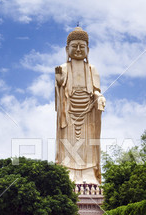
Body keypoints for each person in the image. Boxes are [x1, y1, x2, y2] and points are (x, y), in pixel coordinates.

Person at [55, 26, 106, 185]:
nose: (78, 49)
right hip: (69, 112)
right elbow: (60, 91)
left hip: (88, 113)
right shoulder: (63, 68)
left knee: (88, 144)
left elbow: (96, 90)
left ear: (88, 50)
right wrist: (59, 81)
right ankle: (68, 173)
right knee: (68, 143)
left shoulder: (92, 69)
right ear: (67, 49)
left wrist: (99, 97)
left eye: (82, 46)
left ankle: (89, 174)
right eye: (74, 46)